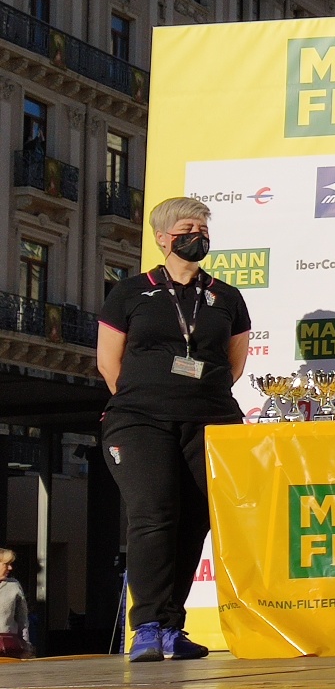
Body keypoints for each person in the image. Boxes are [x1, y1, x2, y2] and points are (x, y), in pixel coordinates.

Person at [97, 197, 252, 661]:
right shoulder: (129, 292)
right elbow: (109, 361)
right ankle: (145, 624)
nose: (198, 235)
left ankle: (170, 626)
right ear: (163, 237)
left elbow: (235, 362)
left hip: (210, 419)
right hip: (139, 419)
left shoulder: (226, 296)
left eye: (203, 228)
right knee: (153, 514)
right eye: (188, 227)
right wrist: (148, 395)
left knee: (193, 523)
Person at [0, 549, 32, 659]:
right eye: (6, 564)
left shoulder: (13, 585)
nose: (10, 568)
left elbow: (23, 620)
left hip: (8, 649)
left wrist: (26, 646)